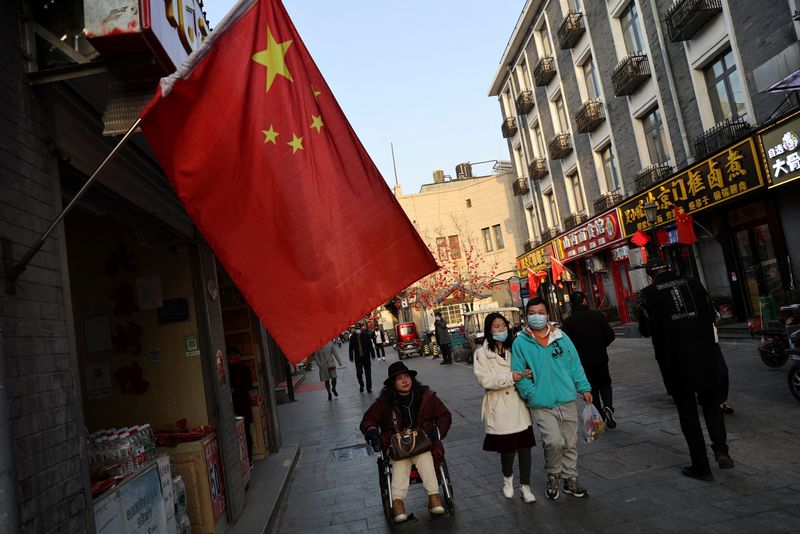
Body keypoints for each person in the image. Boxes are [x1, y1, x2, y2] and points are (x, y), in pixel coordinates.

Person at [638, 258, 734, 481]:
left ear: (650, 275)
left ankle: (702, 466)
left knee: (688, 412)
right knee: (711, 405)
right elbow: (712, 315)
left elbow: (645, 329)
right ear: (670, 268)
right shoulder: (694, 283)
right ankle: (721, 449)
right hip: (706, 355)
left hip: (675, 361)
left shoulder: (648, 294)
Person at [512, 297, 593, 500]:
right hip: (541, 404)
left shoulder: (561, 337)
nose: (537, 316)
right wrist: (532, 393)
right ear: (526, 315)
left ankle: (570, 480)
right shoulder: (520, 342)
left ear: (548, 315)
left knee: (570, 442)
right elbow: (518, 373)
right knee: (553, 442)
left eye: (541, 312)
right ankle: (553, 475)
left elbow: (575, 364)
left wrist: (584, 388)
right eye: (532, 312)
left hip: (566, 399)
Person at [360, 362, 452, 522]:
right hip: (397, 446)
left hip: (423, 442)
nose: (404, 381)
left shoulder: (426, 396)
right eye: (399, 379)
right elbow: (368, 420)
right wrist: (372, 431)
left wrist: (435, 433)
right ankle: (398, 503)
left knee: (424, 456)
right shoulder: (384, 403)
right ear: (392, 384)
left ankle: (434, 497)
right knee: (400, 461)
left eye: (406, 377)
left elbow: (444, 415)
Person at [473, 312, 537, 503]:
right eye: (496, 326)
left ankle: (525, 486)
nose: (501, 329)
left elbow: (528, 367)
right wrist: (510, 378)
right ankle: (507, 479)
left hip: (518, 404)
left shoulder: (515, 348)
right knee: (508, 451)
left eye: (503, 325)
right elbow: (485, 380)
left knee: (525, 449)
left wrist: (528, 373)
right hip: (499, 407)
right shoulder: (481, 354)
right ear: (489, 330)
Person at [561, 291, 618, 428]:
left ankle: (600, 414)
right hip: (600, 357)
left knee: (591, 388)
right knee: (605, 383)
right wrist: (600, 345)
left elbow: (565, 345)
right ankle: (608, 406)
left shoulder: (568, 322)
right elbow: (610, 335)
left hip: (582, 362)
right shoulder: (597, 316)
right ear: (585, 301)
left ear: (572, 304)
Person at [227, 347, 254, 463]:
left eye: (233, 355)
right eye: (229, 355)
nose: (231, 358)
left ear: (238, 356)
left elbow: (248, 385)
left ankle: (249, 458)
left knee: (246, 433)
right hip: (230, 407)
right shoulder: (226, 370)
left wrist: (236, 390)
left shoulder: (244, 369)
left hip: (242, 405)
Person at [349, 322, 375, 393]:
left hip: (366, 357)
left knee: (368, 374)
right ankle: (361, 384)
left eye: (358, 328)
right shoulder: (352, 337)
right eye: (356, 328)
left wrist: (373, 355)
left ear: (361, 328)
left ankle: (369, 388)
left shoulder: (366, 336)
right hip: (358, 359)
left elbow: (370, 346)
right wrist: (351, 357)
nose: (357, 330)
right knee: (359, 373)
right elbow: (350, 348)